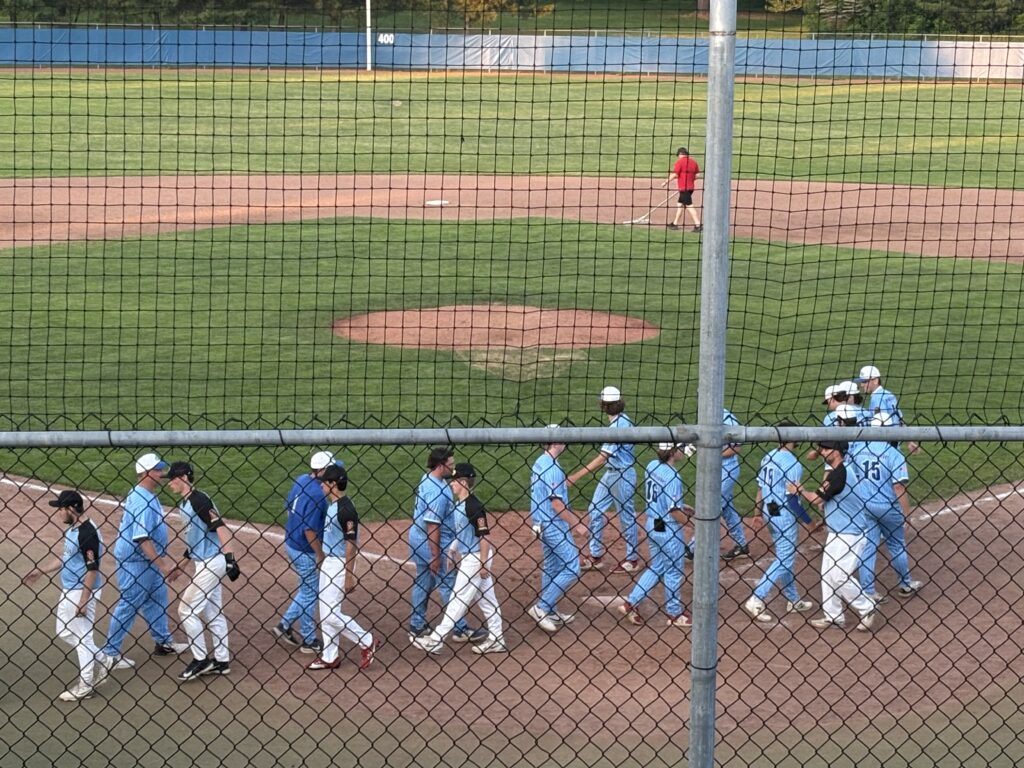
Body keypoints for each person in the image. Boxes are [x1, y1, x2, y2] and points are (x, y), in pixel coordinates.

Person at [99, 453, 187, 671]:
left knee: (157, 599)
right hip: (136, 562)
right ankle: (110, 653)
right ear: (146, 473)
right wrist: (164, 565)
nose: (163, 474)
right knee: (130, 603)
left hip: (146, 561)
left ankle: (163, 642)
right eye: (158, 470)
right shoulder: (143, 501)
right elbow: (141, 538)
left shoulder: (145, 493)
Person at [22, 490, 109, 701]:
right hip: (70, 589)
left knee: (82, 637)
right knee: (63, 631)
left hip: (80, 591)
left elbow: (92, 569)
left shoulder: (87, 533)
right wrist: (40, 571)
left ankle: (86, 685)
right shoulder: (73, 529)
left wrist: (83, 600)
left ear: (72, 509)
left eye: (61, 509)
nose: (59, 513)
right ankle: (104, 659)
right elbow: (66, 558)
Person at [413, 463, 507, 655]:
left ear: (463, 482)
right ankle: (497, 639)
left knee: (458, 599)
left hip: (476, 558)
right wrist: (452, 550)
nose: (451, 485)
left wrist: (482, 563)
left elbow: (485, 537)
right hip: (470, 555)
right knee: (487, 601)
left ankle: (436, 640)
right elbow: (463, 533)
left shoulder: (473, 506)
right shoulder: (460, 505)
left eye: (454, 481)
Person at [163, 462, 238, 681]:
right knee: (213, 612)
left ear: (184, 477)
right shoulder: (186, 503)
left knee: (186, 610)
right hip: (203, 561)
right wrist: (183, 564)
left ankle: (200, 659)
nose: (169, 484)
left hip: (212, 563)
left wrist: (230, 559)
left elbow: (220, 527)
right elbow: (197, 538)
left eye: (173, 479)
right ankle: (221, 661)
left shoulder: (199, 500)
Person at [793, 441, 878, 632]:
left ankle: (867, 607)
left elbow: (816, 499)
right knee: (827, 574)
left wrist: (799, 490)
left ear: (838, 451)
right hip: (838, 531)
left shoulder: (840, 474)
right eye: (821, 448)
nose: (822, 452)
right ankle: (833, 616)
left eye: (826, 448)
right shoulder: (837, 471)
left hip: (851, 534)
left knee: (839, 576)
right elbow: (827, 497)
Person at [407, 447, 485, 644]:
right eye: (450, 465)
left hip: (417, 537)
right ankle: (459, 628)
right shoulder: (438, 491)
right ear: (441, 466)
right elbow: (433, 525)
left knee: (424, 580)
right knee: (448, 581)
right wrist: (435, 555)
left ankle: (416, 625)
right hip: (432, 541)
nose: (454, 469)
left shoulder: (429, 478)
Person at [307, 464, 377, 671]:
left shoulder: (346, 509)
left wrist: (349, 575)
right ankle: (330, 656)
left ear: (333, 484)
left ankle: (366, 640)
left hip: (339, 564)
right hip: (330, 562)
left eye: (324, 483)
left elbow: (351, 544)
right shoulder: (333, 506)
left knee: (329, 614)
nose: (321, 487)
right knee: (326, 611)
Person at [743, 425, 814, 623]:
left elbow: (760, 488)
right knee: (785, 558)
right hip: (784, 514)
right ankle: (757, 597)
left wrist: (757, 512)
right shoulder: (792, 463)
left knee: (785, 555)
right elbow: (792, 499)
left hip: (768, 511)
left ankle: (793, 599)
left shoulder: (768, 456)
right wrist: (809, 522)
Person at [618, 443, 692, 627]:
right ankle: (675, 614)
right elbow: (674, 511)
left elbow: (663, 498)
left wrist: (683, 508)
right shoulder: (674, 477)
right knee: (673, 571)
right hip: (669, 528)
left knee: (657, 566)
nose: (684, 451)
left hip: (652, 524)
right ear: (673, 451)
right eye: (682, 448)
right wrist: (693, 524)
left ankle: (631, 602)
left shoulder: (651, 466)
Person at [272, 450, 337, 654]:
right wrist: (319, 554)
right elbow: (310, 530)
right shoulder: (318, 494)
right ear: (322, 471)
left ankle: (285, 624)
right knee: (311, 593)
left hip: (291, 541)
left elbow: (288, 507)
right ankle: (308, 639)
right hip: (304, 548)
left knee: (307, 590)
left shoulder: (301, 480)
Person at [568, 386, 639, 573]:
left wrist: (576, 476)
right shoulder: (622, 420)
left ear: (603, 406)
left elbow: (602, 457)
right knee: (595, 511)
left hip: (622, 475)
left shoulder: (618, 426)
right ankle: (596, 555)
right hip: (612, 473)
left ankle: (632, 559)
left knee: (626, 517)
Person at [850, 421, 923, 602]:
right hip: (888, 507)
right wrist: (906, 515)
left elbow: (851, 477)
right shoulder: (893, 454)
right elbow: (898, 487)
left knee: (869, 547)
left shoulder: (858, 449)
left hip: (865, 506)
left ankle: (867, 590)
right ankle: (906, 584)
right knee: (896, 544)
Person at [529, 426, 584, 633]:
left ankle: (550, 609)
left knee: (552, 567)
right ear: (556, 442)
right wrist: (576, 524)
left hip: (541, 523)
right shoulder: (552, 467)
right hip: (553, 524)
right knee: (572, 567)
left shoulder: (540, 461)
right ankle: (542, 606)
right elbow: (557, 504)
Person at [688, 408, 749, 560]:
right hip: (713, 470)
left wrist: (712, 454)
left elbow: (736, 448)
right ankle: (741, 545)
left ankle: (693, 548)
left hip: (727, 469)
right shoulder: (706, 414)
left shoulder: (726, 418)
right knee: (727, 508)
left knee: (711, 506)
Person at [855, 364, 919, 453]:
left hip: (884, 448)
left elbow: (881, 424)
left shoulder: (877, 398)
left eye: (865, 381)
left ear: (875, 380)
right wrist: (909, 441)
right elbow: (900, 420)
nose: (862, 385)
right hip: (895, 447)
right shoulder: (888, 394)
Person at [661, 146, 702, 232]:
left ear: (680, 154)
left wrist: (665, 182)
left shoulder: (680, 162)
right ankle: (675, 224)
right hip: (690, 189)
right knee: (680, 205)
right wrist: (689, 179)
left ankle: (698, 225)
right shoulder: (693, 162)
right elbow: (698, 175)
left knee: (689, 206)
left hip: (684, 189)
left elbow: (674, 174)